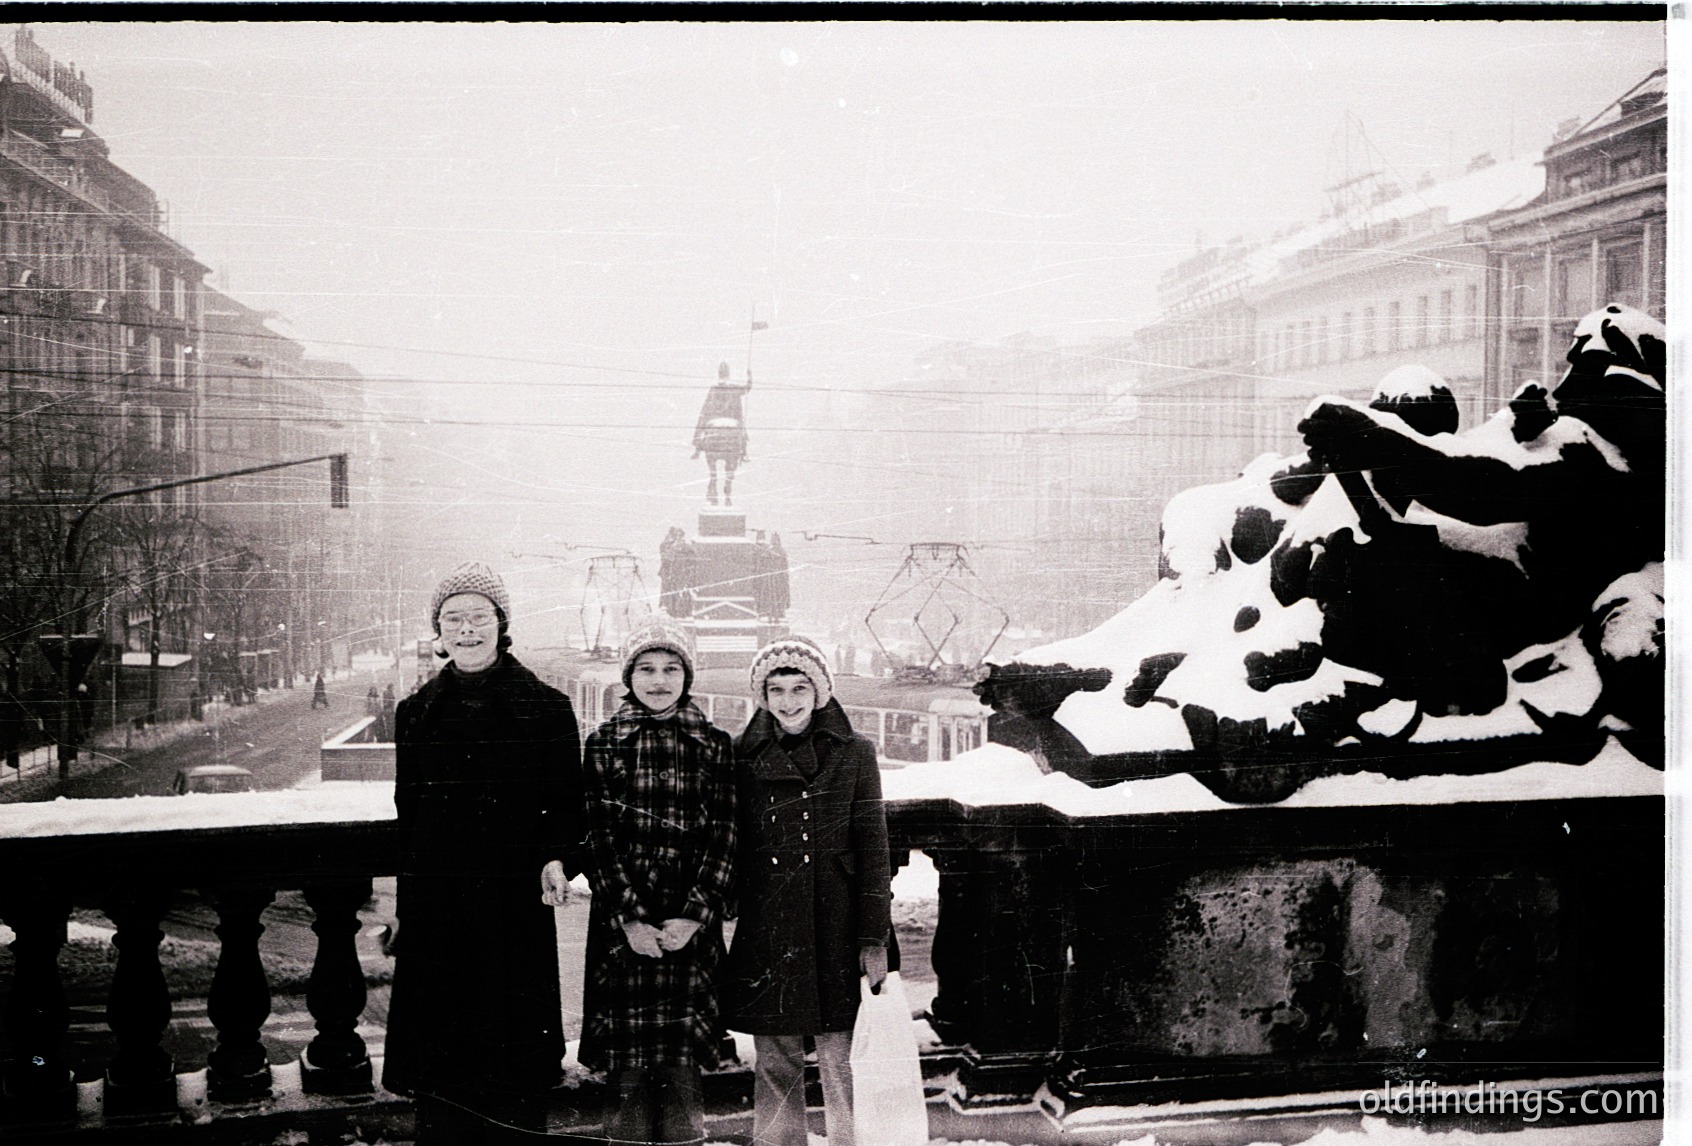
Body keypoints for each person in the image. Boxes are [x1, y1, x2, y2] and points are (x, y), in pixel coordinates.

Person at [383, 561, 584, 1144]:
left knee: (513, 1066)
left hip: (511, 907)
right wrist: (405, 902)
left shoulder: (547, 707)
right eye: (453, 619)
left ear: (502, 624)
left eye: (478, 618)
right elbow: (408, 816)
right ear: (437, 631)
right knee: (442, 1070)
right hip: (438, 908)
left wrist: (557, 857)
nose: (466, 630)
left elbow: (568, 804)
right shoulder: (416, 712)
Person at [723, 636, 893, 1146]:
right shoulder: (741, 755)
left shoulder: (856, 752)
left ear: (819, 691)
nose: (787, 700)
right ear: (762, 696)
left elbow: (873, 848)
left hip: (838, 929)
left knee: (844, 1060)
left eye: (799, 687)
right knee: (776, 1061)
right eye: (775, 689)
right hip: (770, 928)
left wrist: (873, 939)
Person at [579, 618, 737, 1146]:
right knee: (626, 1077)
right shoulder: (603, 745)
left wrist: (695, 914)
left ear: (687, 677)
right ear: (629, 677)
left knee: (682, 1075)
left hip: (689, 931)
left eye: (671, 668)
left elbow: (725, 835)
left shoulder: (715, 746)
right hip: (625, 934)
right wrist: (629, 921)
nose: (659, 679)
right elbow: (597, 838)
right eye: (646, 668)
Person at [691, 361, 751, 506]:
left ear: (719, 373)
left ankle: (709, 471)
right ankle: (743, 452)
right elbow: (748, 388)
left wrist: (697, 437)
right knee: (741, 435)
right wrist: (749, 376)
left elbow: (704, 411)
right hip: (732, 424)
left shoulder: (714, 389)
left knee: (705, 427)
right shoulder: (735, 388)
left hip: (715, 424)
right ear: (728, 373)